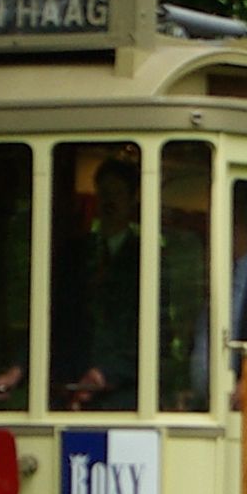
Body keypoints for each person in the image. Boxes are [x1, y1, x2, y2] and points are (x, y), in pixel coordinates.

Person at [57, 154, 142, 409]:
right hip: (72, 394)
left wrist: (107, 374)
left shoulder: (147, 258)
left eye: (117, 192)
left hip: (124, 399)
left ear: (133, 199)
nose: (109, 201)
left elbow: (153, 333)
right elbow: (59, 317)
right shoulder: (76, 253)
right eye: (104, 192)